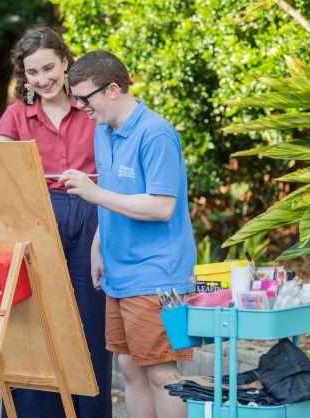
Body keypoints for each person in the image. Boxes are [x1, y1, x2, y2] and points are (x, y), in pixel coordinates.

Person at [60, 51, 197, 418]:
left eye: (84, 99)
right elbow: (113, 190)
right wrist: (97, 246)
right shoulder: (103, 132)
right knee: (129, 368)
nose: (80, 107)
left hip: (158, 275)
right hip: (121, 273)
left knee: (161, 372)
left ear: (113, 89)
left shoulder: (156, 134)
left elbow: (161, 206)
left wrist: (93, 194)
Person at [0, 27, 112, 418]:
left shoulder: (92, 108)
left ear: (64, 62)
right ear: (22, 75)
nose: (41, 79)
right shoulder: (15, 116)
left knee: (90, 326)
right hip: (37, 222)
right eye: (32, 72)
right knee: (36, 325)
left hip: (92, 217)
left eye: (48, 67)